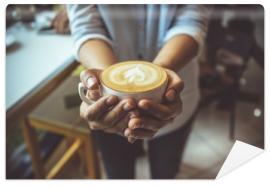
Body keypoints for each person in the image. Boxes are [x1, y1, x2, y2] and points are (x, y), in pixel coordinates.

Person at [67, 5, 210, 179]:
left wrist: (161, 75)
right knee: (119, 176)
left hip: (176, 94)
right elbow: (86, 27)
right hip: (111, 112)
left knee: (165, 175)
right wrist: (105, 77)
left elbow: (191, 21)